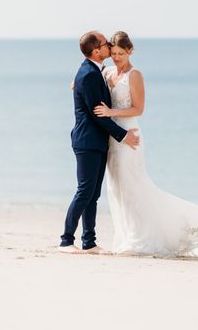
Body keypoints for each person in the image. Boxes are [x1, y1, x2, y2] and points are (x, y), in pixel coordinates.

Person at [94, 31, 198, 258]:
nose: (116, 58)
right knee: (116, 189)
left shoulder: (135, 75)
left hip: (130, 137)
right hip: (113, 138)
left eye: (121, 53)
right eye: (113, 53)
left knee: (134, 188)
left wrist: (111, 112)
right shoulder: (107, 71)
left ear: (130, 51)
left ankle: (138, 240)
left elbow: (139, 109)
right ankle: (124, 237)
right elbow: (90, 78)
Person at [59, 31, 140, 254]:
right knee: (85, 191)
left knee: (93, 195)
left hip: (97, 142)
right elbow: (98, 114)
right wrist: (124, 136)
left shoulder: (95, 71)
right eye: (105, 44)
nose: (109, 47)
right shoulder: (88, 75)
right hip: (87, 141)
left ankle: (89, 242)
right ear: (97, 51)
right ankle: (66, 240)